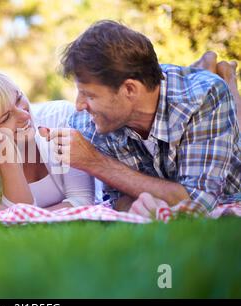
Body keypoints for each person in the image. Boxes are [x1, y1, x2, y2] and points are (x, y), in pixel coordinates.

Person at [44, 20, 240, 217]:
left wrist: (95, 162)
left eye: (90, 95)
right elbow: (118, 199)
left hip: (231, 190)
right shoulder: (91, 123)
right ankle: (205, 66)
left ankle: (227, 78)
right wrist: (133, 206)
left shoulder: (203, 97)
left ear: (129, 89)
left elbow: (197, 203)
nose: (78, 106)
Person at [0, 66, 95, 210]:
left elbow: (83, 201)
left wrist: (16, 216)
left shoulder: (59, 118)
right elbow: (20, 223)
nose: (25, 115)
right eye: (5, 117)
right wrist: (5, 156)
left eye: (19, 98)